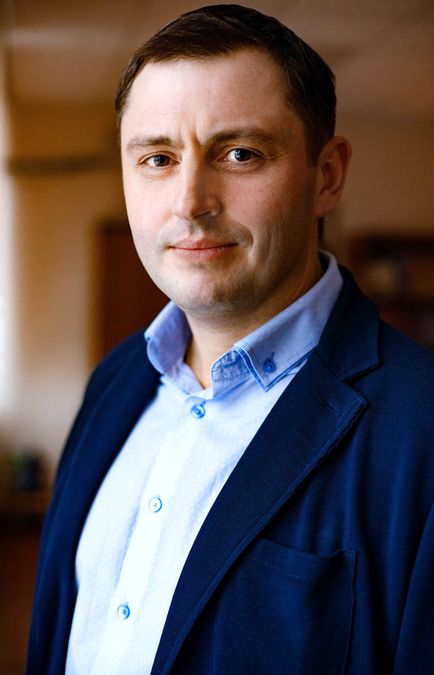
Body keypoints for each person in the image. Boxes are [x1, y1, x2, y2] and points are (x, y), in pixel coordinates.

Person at [26, 5, 433, 675]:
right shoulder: (115, 382)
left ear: (327, 175)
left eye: (240, 153)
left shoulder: (421, 428)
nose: (190, 201)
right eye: (157, 158)